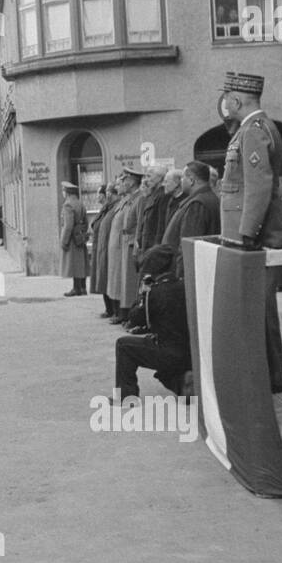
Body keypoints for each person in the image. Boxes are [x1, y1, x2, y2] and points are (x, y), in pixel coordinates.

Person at [218, 71, 282, 393]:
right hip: (244, 235)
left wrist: (248, 234)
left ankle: (269, 378)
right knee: (258, 309)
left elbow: (259, 187)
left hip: (251, 238)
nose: (224, 104)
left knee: (259, 309)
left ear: (236, 100)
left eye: (227, 98)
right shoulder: (250, 129)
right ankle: (268, 375)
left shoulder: (254, 131)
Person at [113, 245, 191, 402]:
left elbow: (135, 318)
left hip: (168, 351)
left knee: (124, 346)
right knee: (164, 372)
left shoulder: (154, 292)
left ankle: (126, 396)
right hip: (189, 352)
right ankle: (185, 385)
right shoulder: (185, 286)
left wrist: (142, 293)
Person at [160, 161, 220, 277]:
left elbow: (187, 246)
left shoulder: (197, 204)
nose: (181, 181)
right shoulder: (207, 198)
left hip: (187, 274)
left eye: (183, 178)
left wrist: (181, 276)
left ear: (191, 180)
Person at [106, 168, 143, 325]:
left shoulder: (138, 199)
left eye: (125, 180)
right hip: (121, 244)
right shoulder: (128, 199)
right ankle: (122, 312)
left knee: (129, 283)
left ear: (132, 182)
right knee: (122, 281)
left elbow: (139, 223)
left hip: (129, 244)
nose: (122, 184)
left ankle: (128, 313)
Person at [91, 182, 120, 314]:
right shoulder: (107, 207)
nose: (105, 194)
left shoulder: (115, 207)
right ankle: (109, 309)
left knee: (108, 277)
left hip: (109, 247)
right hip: (102, 246)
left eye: (108, 191)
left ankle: (113, 309)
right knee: (103, 277)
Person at [59, 181, 88, 296]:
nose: (62, 192)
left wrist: (64, 241)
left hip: (72, 239)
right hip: (80, 237)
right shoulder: (80, 204)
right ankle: (83, 288)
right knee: (81, 263)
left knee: (74, 263)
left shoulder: (68, 205)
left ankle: (76, 288)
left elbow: (68, 225)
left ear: (67, 193)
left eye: (63, 190)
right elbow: (86, 222)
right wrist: (82, 233)